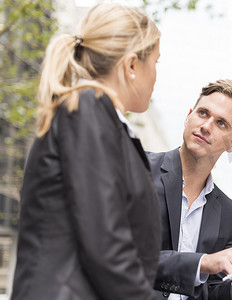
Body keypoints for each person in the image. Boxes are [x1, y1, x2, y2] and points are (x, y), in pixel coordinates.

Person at [11, 3, 162, 300]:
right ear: (132, 65)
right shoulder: (86, 108)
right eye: (156, 62)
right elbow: (106, 240)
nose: (156, 75)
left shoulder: (97, 115)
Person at [147, 80, 232, 300]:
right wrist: (204, 263)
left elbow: (208, 290)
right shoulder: (139, 170)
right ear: (188, 116)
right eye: (203, 113)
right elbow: (122, 257)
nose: (206, 126)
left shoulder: (228, 213)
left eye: (221, 123)